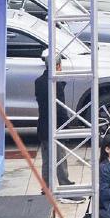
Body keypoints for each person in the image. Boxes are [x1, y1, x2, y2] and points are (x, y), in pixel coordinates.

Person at [36, 53, 73, 186]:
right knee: (60, 158)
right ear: (57, 66)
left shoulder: (38, 81)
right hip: (56, 126)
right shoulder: (56, 84)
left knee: (46, 160)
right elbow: (60, 108)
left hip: (43, 126)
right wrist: (66, 126)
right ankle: (64, 183)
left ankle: (46, 186)